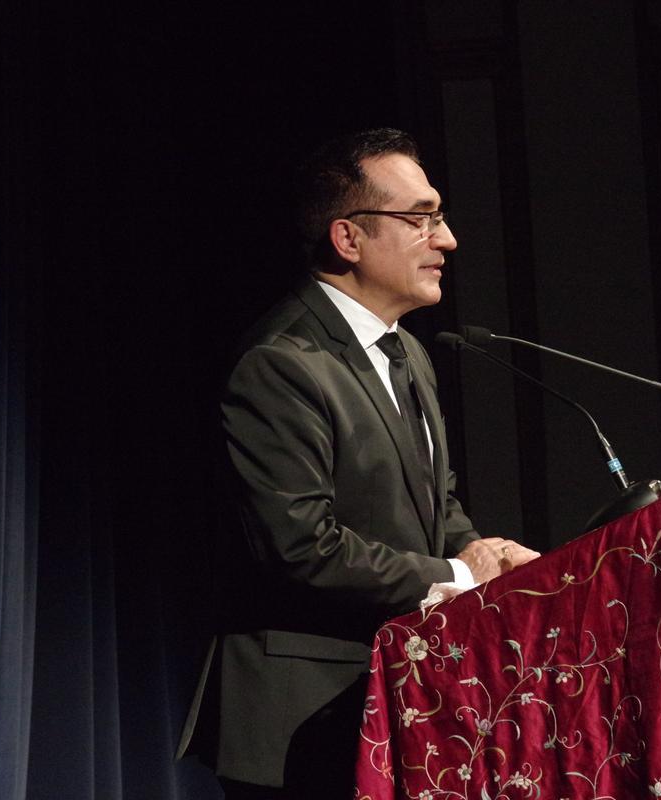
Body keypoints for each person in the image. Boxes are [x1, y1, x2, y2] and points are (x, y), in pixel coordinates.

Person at [177, 128, 539, 799]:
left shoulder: (408, 353)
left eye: (440, 216)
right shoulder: (281, 364)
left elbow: (436, 498)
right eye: (421, 218)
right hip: (303, 721)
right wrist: (459, 573)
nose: (447, 238)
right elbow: (300, 547)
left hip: (396, 701)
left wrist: (483, 553)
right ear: (348, 239)